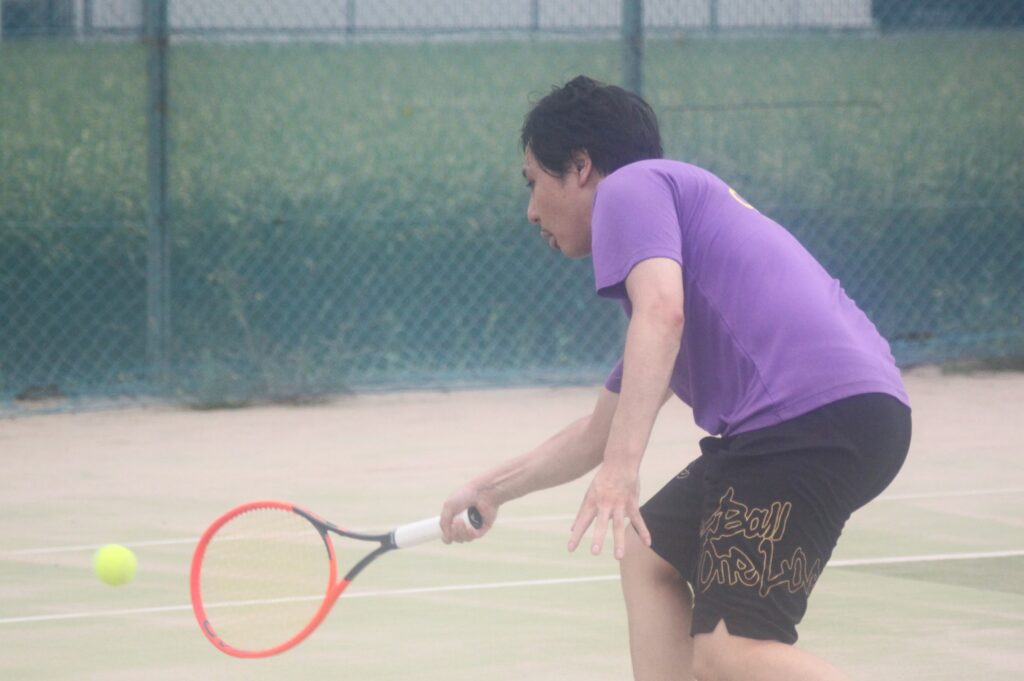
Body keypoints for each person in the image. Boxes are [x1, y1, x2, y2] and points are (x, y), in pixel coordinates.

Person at [439, 75, 911, 681]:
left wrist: (623, 470)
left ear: (580, 166)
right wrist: (490, 489)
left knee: (729, 651)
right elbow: (598, 432)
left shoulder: (629, 189)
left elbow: (662, 314)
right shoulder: (685, 256)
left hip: (808, 421)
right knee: (649, 553)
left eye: (533, 181)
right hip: (846, 414)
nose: (531, 210)